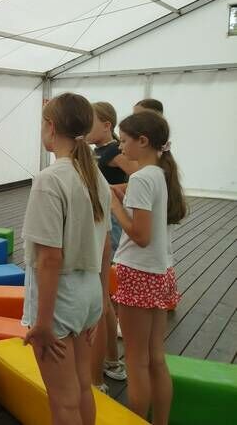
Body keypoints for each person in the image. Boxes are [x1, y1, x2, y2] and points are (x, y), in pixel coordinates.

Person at [21, 93, 110, 425]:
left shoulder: (50, 179)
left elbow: (49, 259)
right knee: (83, 389)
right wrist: (99, 304)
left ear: (51, 126)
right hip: (88, 295)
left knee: (63, 402)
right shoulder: (95, 176)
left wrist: (43, 323)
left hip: (58, 302)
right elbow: (105, 247)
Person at [110, 110, 185, 424]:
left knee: (136, 360)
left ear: (143, 141)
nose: (120, 146)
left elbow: (140, 236)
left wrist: (114, 205)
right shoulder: (159, 173)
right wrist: (122, 193)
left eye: (124, 140)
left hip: (137, 271)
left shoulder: (141, 178)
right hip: (160, 271)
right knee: (155, 359)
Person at [86, 101, 137, 391]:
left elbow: (139, 177)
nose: (86, 128)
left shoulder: (114, 150)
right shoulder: (98, 150)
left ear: (107, 125)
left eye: (90, 122)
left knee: (101, 291)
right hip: (102, 220)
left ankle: (109, 361)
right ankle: (110, 359)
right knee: (102, 292)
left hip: (111, 223)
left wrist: (111, 191)